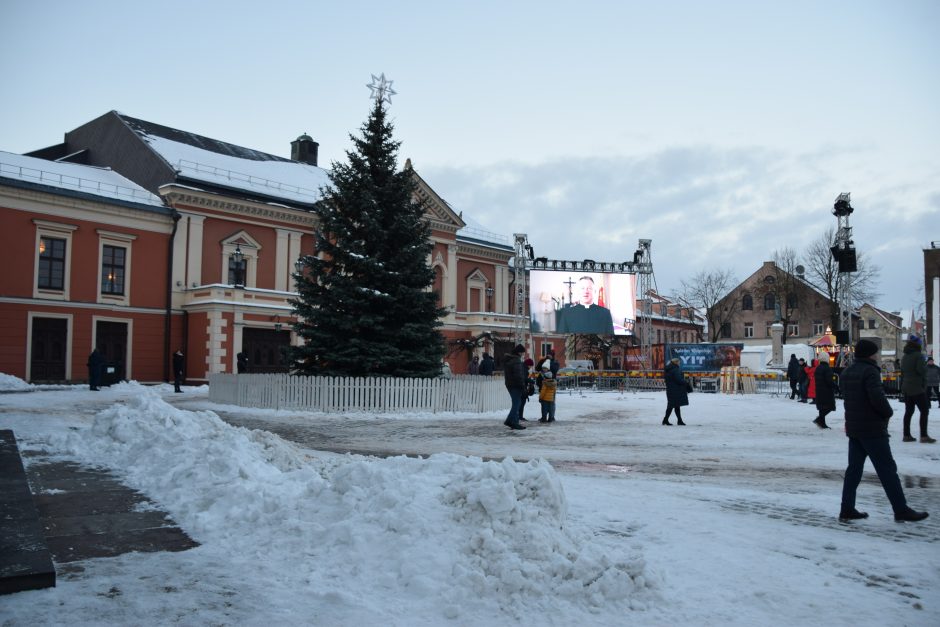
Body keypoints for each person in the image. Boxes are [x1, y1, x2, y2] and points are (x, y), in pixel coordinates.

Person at [838, 339, 928, 523]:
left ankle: (847, 508)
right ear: (871, 354)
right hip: (872, 428)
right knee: (887, 470)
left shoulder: (847, 372)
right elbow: (877, 398)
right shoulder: (870, 371)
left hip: (855, 428)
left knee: (854, 470)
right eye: (876, 352)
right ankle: (901, 509)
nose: (878, 355)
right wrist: (888, 412)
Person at [899, 335, 934, 443]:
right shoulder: (918, 355)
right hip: (917, 387)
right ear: (918, 344)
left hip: (906, 387)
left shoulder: (904, 356)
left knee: (908, 411)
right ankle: (923, 436)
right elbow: (921, 371)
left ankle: (906, 435)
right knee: (924, 410)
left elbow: (903, 372)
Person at [502, 344, 528, 430]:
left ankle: (515, 422)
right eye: (522, 353)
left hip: (510, 384)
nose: (523, 354)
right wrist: (522, 386)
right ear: (519, 352)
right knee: (517, 404)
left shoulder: (510, 359)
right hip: (516, 385)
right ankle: (510, 420)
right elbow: (518, 376)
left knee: (517, 403)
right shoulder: (516, 361)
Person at [662, 357, 689, 426]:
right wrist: (685, 382)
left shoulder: (668, 369)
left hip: (670, 389)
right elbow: (678, 379)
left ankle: (678, 420)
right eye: (679, 362)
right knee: (672, 406)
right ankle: (666, 420)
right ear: (676, 362)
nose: (679, 363)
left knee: (675, 405)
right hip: (675, 390)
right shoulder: (675, 369)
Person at [813, 358, 836, 429]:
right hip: (827, 391)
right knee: (830, 406)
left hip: (819, 390)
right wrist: (835, 386)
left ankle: (822, 423)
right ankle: (819, 420)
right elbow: (829, 381)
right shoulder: (827, 368)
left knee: (821, 408)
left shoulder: (818, 368)